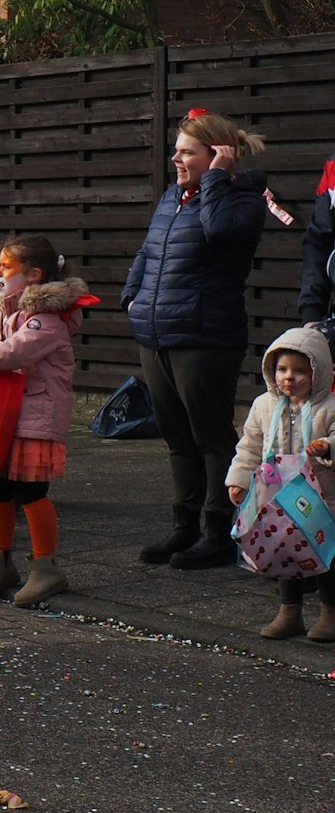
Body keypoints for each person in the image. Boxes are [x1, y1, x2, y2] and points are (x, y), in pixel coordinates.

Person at [123, 108, 267, 569]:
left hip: (205, 336)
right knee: (177, 438)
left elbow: (219, 231)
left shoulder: (244, 197)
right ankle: (183, 526)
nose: (176, 160)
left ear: (218, 154)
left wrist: (218, 179)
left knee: (210, 437)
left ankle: (219, 531)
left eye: (187, 152)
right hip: (157, 332)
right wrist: (132, 296)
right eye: (177, 151)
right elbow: (148, 250)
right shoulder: (173, 196)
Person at [0, 236, 94, 606]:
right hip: (10, 414)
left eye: (6, 265)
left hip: (35, 417)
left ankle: (47, 568)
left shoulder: (47, 319)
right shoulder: (10, 311)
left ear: (33, 275)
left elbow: (14, 351)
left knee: (31, 492)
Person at [226, 326, 335, 642]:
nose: (289, 377)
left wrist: (327, 447)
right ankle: (290, 612)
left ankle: (330, 612)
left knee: (326, 554)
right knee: (284, 552)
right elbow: (249, 445)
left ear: (318, 372)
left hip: (322, 497)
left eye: (300, 371)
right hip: (276, 497)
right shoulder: (264, 405)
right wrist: (238, 480)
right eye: (283, 369)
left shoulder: (329, 406)